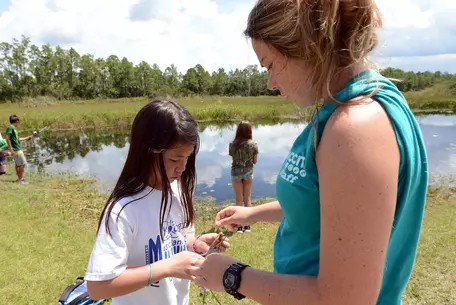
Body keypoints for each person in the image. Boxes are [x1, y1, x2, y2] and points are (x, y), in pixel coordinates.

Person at [190, 1, 428, 305]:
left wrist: (233, 275)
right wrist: (252, 213)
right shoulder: (352, 107)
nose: (271, 83)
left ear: (309, 47)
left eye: (271, 65)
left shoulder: (355, 127)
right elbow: (326, 205)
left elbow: (345, 299)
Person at [85, 99, 229, 305]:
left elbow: (175, 240)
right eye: (173, 160)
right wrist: (167, 268)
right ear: (146, 152)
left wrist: (195, 244)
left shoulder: (178, 190)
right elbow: (98, 287)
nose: (181, 169)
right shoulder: (123, 210)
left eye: (187, 158)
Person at [229, 121, 258, 233]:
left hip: (236, 173)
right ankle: (247, 226)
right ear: (249, 131)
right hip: (248, 172)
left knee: (239, 200)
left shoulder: (232, 145)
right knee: (247, 199)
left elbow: (233, 157)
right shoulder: (253, 144)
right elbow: (255, 161)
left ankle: (239, 226)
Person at [5, 115, 33, 184]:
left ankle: (19, 179)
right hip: (16, 149)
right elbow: (7, 138)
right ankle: (21, 180)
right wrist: (11, 148)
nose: (18, 123)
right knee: (22, 164)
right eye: (18, 122)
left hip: (17, 149)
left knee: (18, 164)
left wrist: (27, 138)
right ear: (16, 121)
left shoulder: (13, 129)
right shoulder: (10, 128)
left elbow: (17, 139)